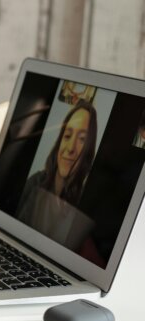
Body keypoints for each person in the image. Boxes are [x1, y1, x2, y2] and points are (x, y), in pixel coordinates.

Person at [16, 100, 98, 250]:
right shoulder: (34, 183)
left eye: (82, 139)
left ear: (89, 150)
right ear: (60, 140)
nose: (70, 148)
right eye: (67, 135)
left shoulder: (84, 205)